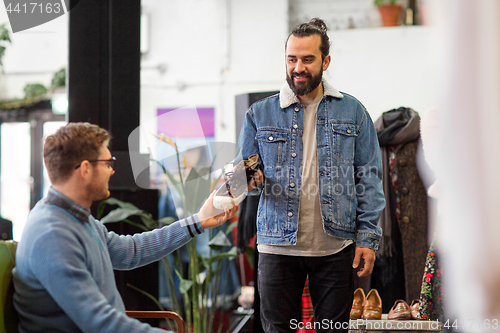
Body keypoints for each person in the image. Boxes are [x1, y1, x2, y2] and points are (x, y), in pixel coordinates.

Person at [12, 122, 239, 333]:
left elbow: (130, 251)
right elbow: (100, 323)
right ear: (85, 169)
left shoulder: (75, 219)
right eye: (107, 163)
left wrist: (198, 221)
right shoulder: (52, 234)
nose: (112, 170)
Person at [238, 18, 385, 332]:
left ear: (325, 61)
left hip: (334, 246)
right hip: (277, 246)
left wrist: (368, 238)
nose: (298, 67)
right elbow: (246, 172)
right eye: (292, 59)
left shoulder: (353, 112)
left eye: (307, 59)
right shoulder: (259, 114)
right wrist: (247, 180)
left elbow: (369, 178)